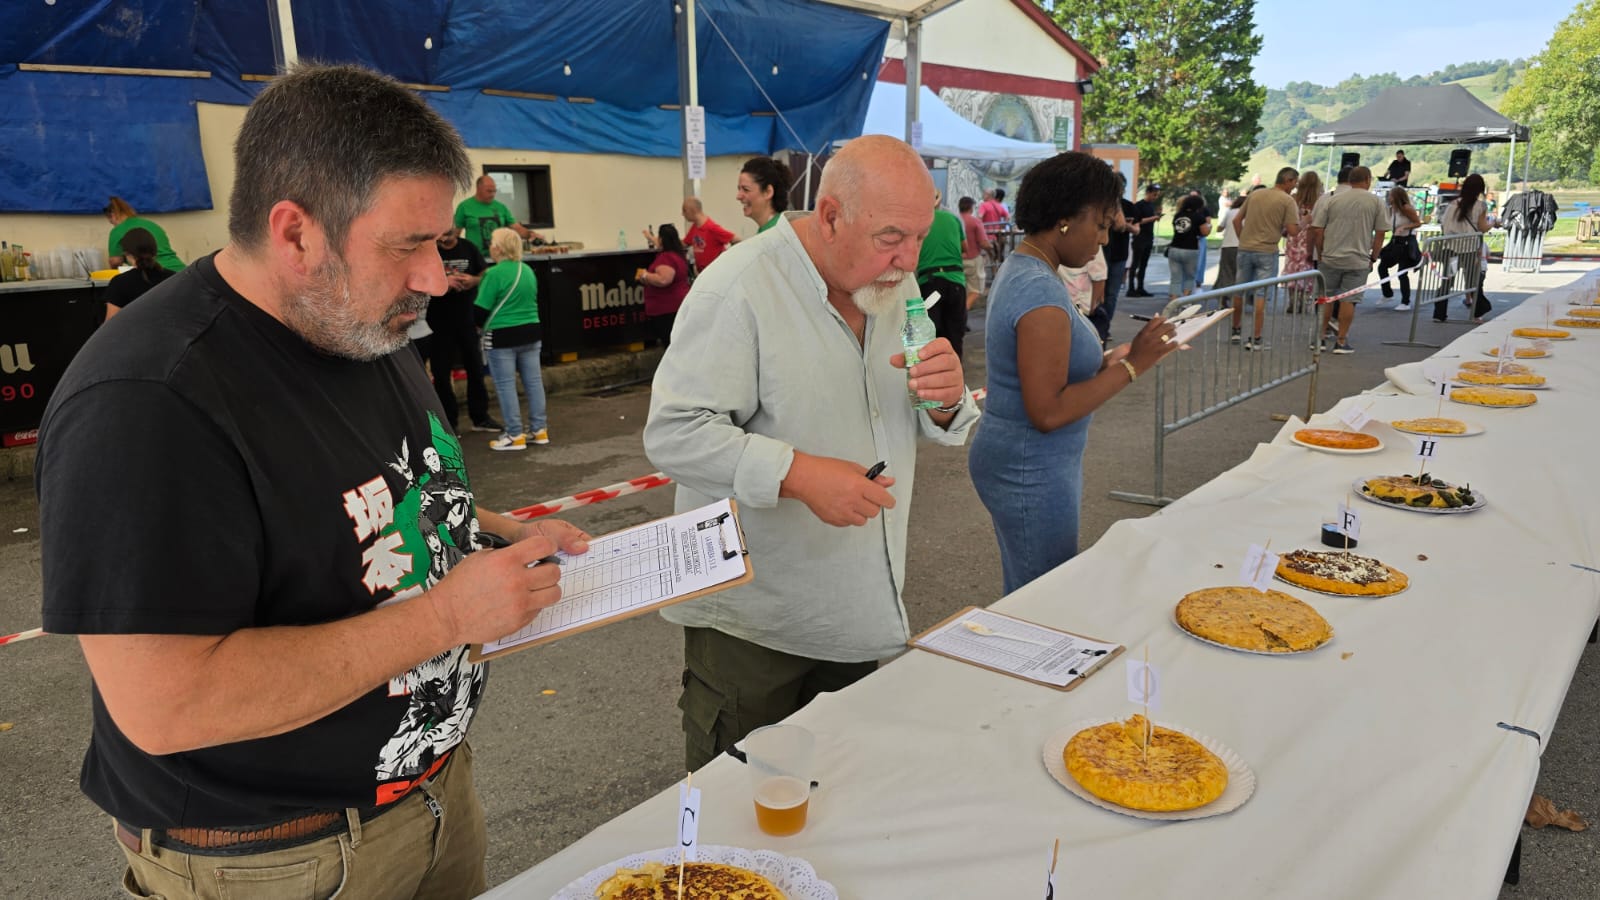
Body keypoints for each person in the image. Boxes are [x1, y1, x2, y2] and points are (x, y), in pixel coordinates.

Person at [38, 63, 591, 900]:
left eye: (439, 244)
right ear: (295, 233)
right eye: (408, 245)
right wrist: (448, 614)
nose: (435, 278)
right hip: (276, 862)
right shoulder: (150, 403)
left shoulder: (358, 323)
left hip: (429, 797)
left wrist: (482, 529)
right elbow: (165, 705)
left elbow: (352, 494)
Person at [644, 134, 978, 770]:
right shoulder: (739, 289)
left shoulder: (898, 287)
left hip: (858, 606)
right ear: (829, 216)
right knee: (739, 806)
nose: (910, 259)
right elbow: (674, 432)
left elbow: (926, 401)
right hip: (756, 619)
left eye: (920, 235)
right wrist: (796, 473)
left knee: (839, 795)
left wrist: (944, 397)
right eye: (890, 237)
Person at [968, 152, 1182, 594]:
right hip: (1030, 466)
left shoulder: (1030, 266)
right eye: (1101, 224)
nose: (1104, 238)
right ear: (1065, 218)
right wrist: (1131, 365)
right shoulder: (1039, 289)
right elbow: (1047, 410)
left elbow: (1049, 369)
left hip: (1028, 459)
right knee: (1042, 594)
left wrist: (1107, 360)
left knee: (1031, 585)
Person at [476, 227, 548, 449]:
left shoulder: (493, 274)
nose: (490, 246)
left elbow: (479, 311)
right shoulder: (527, 270)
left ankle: (514, 434)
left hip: (502, 335)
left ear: (498, 248)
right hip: (531, 330)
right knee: (534, 382)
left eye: (492, 242)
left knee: (506, 385)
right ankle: (539, 430)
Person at [430, 229, 500, 433]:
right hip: (439, 322)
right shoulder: (430, 250)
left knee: (475, 369)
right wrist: (444, 282)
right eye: (441, 237)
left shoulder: (468, 247)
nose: (445, 241)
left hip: (466, 319)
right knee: (441, 374)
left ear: (456, 231)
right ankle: (449, 423)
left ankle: (480, 417)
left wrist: (473, 280)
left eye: (449, 237)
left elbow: (484, 273)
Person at [1310, 166, 1386, 355]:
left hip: (1330, 256)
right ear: (1367, 179)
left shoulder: (1332, 199)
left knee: (1325, 297)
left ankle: (1319, 338)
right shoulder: (1376, 201)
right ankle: (1341, 341)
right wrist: (1373, 257)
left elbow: (1318, 229)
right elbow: (1381, 233)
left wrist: (1320, 252)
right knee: (1349, 300)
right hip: (1358, 259)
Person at [1229, 167, 1301, 350]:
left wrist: (1243, 239)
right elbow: (1292, 231)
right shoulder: (1287, 200)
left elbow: (1236, 221)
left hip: (1245, 248)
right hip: (1267, 251)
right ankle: (1256, 337)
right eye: (1294, 183)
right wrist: (1304, 222)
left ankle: (1235, 330)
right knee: (1261, 294)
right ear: (1288, 181)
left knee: (1239, 290)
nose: (1295, 187)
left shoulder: (1256, 194)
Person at [916, 195, 970, 358]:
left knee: (930, 337)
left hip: (929, 283)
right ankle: (956, 376)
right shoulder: (952, 219)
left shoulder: (918, 223)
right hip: (955, 281)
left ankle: (934, 378)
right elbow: (965, 248)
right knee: (955, 335)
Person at [1434, 173, 1492, 323]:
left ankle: (1439, 313)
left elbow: (1444, 225)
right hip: (1470, 250)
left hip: (1452, 250)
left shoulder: (1452, 205)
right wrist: (1494, 224)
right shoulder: (1481, 206)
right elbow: (1482, 228)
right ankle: (1476, 313)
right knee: (1474, 281)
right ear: (1480, 189)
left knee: (1448, 280)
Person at [1089, 177, 1137, 345]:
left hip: (1117, 254)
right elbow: (1120, 225)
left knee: (1109, 294)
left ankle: (1103, 327)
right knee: (1097, 292)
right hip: (1099, 255)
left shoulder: (1125, 205)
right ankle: (1096, 327)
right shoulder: (1098, 204)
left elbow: (1122, 225)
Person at [638, 222, 691, 347]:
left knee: (671, 344)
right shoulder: (677, 254)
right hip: (677, 305)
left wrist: (645, 275)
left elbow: (664, 279)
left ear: (662, 239)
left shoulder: (666, 258)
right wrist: (649, 237)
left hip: (666, 310)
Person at [102, 228, 175, 318]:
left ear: (126, 254)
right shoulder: (173, 278)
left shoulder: (120, 282)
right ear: (155, 251)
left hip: (134, 331)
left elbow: (110, 325)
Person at [454, 175, 532, 255]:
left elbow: (516, 228)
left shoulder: (501, 207)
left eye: (494, 191)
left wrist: (531, 234)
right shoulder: (464, 207)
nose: (492, 194)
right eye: (489, 191)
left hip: (500, 256)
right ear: (478, 189)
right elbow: (455, 233)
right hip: (475, 257)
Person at [103, 196, 184, 272]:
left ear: (113, 215)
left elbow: (115, 262)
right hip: (180, 269)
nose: (113, 225)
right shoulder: (151, 224)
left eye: (111, 222)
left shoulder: (117, 230)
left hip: (155, 272)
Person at [1283, 171, 1322, 314]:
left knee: (1292, 268)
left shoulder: (1293, 199)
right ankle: (1305, 301)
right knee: (1308, 270)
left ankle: (1292, 300)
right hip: (1310, 239)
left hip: (1295, 237)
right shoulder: (1319, 201)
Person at [1379, 186, 1422, 311]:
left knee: (1402, 272)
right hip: (1395, 241)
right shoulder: (1392, 209)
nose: (1389, 198)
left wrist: (1405, 227)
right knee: (1383, 266)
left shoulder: (1406, 208)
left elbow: (1417, 222)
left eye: (1391, 195)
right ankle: (1387, 293)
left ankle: (1405, 301)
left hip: (1406, 242)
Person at [1165, 192, 1210, 299]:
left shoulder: (1178, 215)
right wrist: (1209, 227)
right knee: (1190, 277)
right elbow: (1204, 232)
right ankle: (1185, 300)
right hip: (1190, 248)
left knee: (1175, 278)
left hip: (1175, 247)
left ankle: (1174, 301)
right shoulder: (1199, 217)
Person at [681, 196, 736, 271]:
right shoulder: (695, 227)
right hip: (702, 272)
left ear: (692, 210)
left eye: (684, 210)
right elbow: (684, 243)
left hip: (715, 272)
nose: (683, 214)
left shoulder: (711, 228)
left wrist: (730, 258)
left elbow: (736, 239)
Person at [737, 156, 790, 233]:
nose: (738, 196)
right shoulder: (774, 228)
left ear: (768, 192)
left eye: (746, 189)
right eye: (739, 189)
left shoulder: (778, 233)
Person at [1127, 184, 1162, 296]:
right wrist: (1153, 218)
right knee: (1135, 264)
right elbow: (1139, 221)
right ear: (1148, 192)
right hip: (1139, 238)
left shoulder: (1151, 206)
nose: (1155, 197)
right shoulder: (1139, 205)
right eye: (1154, 194)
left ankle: (1140, 287)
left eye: (1157, 195)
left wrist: (1157, 216)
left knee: (1144, 264)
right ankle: (1131, 288)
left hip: (1148, 237)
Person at [958, 196, 993, 303]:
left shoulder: (953, 219)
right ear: (971, 208)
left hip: (956, 260)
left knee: (960, 291)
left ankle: (958, 313)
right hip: (973, 259)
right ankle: (961, 315)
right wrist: (991, 249)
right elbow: (983, 243)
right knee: (975, 291)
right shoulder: (974, 222)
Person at [1212, 192, 1249, 291]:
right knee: (1240, 273)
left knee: (1226, 272)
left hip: (1227, 245)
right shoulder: (1248, 214)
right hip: (1242, 245)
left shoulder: (1229, 212)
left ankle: (1223, 294)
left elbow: (1219, 228)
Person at [1058, 247, 1107, 313]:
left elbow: (1099, 277)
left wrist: (1092, 309)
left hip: (1080, 306)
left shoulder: (1090, 239)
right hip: (1058, 305)